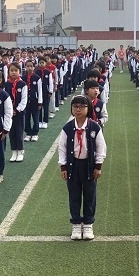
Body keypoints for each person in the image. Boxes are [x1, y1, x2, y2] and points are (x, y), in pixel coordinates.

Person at [58, 95, 107, 241]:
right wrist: (63, 166)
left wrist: (98, 166)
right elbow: (62, 148)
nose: (78, 110)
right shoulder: (67, 128)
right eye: (75, 107)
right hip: (73, 166)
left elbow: (101, 147)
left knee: (89, 195)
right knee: (74, 195)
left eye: (81, 107)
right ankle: (76, 224)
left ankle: (88, 224)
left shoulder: (94, 127)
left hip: (89, 166)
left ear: (88, 108)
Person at [4, 62, 27, 162]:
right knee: (11, 132)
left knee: (19, 132)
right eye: (11, 70)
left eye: (16, 70)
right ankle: (14, 151)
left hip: (19, 113)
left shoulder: (23, 84)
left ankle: (20, 151)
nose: (13, 72)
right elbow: (5, 98)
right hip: (9, 113)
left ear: (19, 72)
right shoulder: (6, 84)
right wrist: (9, 110)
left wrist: (17, 110)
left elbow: (24, 100)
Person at [22, 60, 42, 141]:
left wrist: (39, 102)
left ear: (34, 67)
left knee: (35, 117)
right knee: (26, 118)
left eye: (31, 66)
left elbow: (40, 90)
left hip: (35, 101)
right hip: (25, 102)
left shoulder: (37, 78)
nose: (29, 68)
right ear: (25, 67)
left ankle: (35, 133)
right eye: (28, 66)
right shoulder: (23, 78)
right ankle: (28, 133)